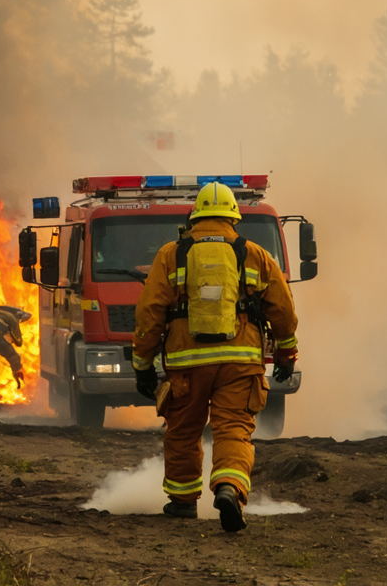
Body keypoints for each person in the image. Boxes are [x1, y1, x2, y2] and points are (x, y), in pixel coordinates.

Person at [132, 181, 299, 533]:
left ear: (194, 217)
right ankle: (229, 489)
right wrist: (287, 353)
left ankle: (182, 502)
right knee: (234, 429)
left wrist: (143, 365)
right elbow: (282, 310)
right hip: (240, 362)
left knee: (183, 430)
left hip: (187, 363)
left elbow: (149, 314)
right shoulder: (254, 254)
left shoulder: (170, 255)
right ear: (234, 218)